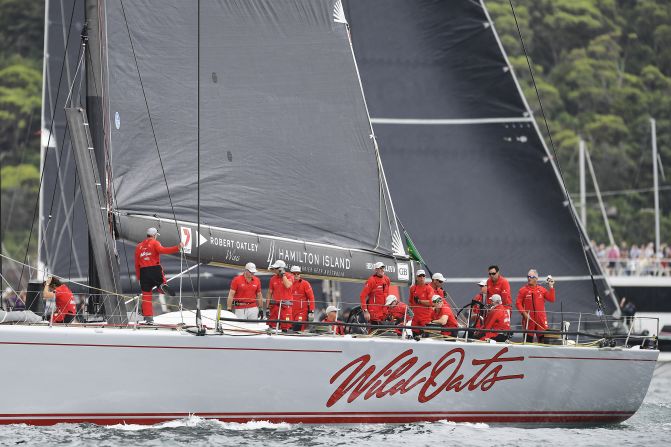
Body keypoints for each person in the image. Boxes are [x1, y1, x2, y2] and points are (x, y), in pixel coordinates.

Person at [135, 227, 182, 324]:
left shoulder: (138, 246)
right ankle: (161, 286)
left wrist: (139, 277)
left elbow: (137, 264)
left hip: (143, 272)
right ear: (154, 235)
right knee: (160, 282)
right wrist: (177, 247)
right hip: (154, 270)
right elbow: (163, 250)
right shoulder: (155, 243)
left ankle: (148, 319)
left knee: (146, 296)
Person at [516, 269, 556, 343]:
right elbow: (518, 303)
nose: (529, 278)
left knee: (543, 344)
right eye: (528, 276)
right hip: (528, 320)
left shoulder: (542, 290)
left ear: (536, 278)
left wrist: (551, 287)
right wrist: (524, 314)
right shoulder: (523, 290)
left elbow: (552, 299)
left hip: (541, 321)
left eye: (531, 276)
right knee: (527, 343)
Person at [267, 260, 294, 331]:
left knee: (286, 327)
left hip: (286, 306)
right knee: (272, 326)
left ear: (280, 269)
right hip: (275, 306)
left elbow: (288, 285)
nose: (274, 270)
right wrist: (267, 307)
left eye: (276, 269)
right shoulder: (273, 279)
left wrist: (283, 275)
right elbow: (269, 292)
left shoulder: (290, 276)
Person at [290, 265, 315, 331]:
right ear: (291, 274)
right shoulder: (288, 284)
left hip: (301, 311)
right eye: (294, 273)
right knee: (288, 329)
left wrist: (311, 311)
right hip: (289, 311)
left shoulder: (305, 284)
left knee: (297, 327)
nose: (296, 275)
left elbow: (311, 297)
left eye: (298, 273)